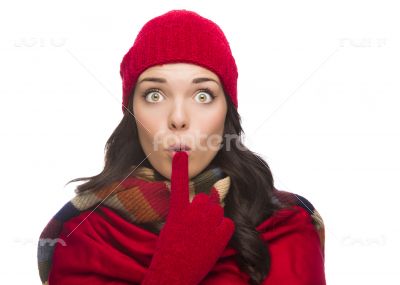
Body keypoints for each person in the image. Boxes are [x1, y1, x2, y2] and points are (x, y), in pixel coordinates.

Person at [37, 9, 326, 285]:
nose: (177, 118)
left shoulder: (288, 224)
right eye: (154, 95)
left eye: (202, 95)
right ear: (131, 112)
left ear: (227, 112)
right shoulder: (82, 232)